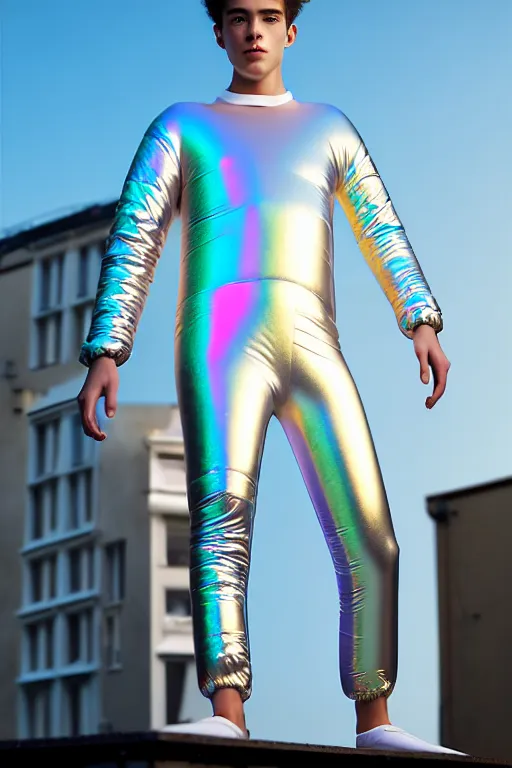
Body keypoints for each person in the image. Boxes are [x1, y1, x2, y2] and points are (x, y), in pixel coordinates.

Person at [78, 0, 462, 755]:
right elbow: (137, 234)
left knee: (372, 537)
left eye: (268, 15)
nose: (254, 30)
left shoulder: (329, 128)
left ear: (292, 29)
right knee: (222, 520)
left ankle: (375, 722)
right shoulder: (182, 126)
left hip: (317, 344)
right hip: (222, 345)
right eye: (238, 16)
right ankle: (228, 709)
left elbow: (380, 225)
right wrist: (107, 348)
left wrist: (420, 317)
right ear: (218, 31)